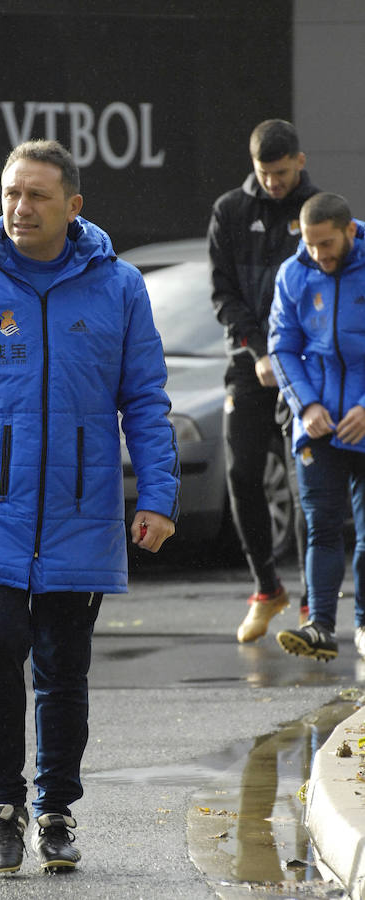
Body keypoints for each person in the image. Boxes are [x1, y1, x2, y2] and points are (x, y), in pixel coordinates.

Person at [0, 140, 180, 874]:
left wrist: (158, 496)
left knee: (63, 666)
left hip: (82, 511)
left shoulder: (118, 288)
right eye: (11, 193)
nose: (21, 208)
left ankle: (55, 809)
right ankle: (1, 806)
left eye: (38, 196)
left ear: (73, 206)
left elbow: (146, 400)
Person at [208, 119, 319, 644]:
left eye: (280, 172)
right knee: (243, 475)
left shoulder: (318, 210)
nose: (273, 182)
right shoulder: (231, 210)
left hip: (304, 371)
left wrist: (288, 353)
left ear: (299, 160)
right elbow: (223, 292)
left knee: (304, 491)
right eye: (263, 173)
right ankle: (266, 589)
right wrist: (257, 347)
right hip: (249, 366)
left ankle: (310, 604)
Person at [269, 192, 365, 661]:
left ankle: (364, 625)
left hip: (363, 418)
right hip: (319, 422)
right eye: (310, 245)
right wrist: (306, 406)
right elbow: (282, 348)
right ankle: (320, 626)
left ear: (349, 231)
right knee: (321, 527)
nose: (319, 255)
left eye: (326, 244)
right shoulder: (294, 274)